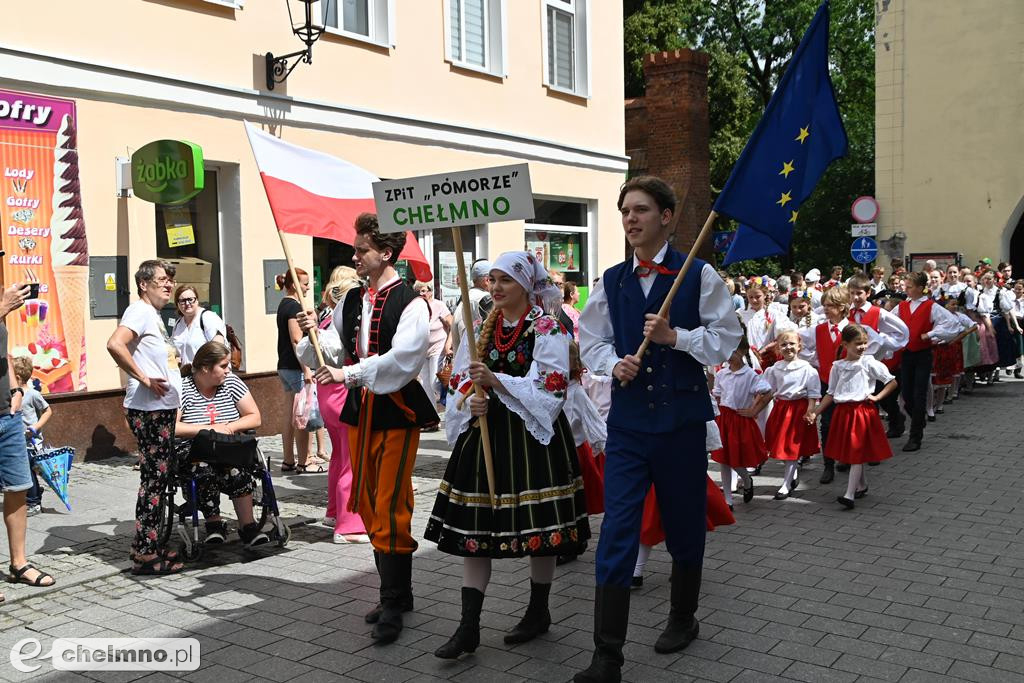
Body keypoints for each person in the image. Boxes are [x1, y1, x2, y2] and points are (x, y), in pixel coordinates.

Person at [575, 176, 741, 683]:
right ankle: (607, 655)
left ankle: (683, 617)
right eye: (625, 210)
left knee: (685, 524)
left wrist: (677, 337)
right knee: (617, 532)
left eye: (641, 210)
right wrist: (613, 364)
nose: (630, 219)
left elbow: (727, 338)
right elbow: (591, 338)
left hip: (682, 425)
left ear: (666, 216)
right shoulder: (613, 279)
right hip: (628, 428)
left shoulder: (697, 275)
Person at [424, 252, 589, 659]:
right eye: (493, 279)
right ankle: (468, 628)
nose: (496, 287)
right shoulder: (483, 326)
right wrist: (469, 399)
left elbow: (551, 388)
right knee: (475, 535)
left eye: (506, 280)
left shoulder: (548, 327)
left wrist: (496, 383)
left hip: (532, 438)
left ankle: (538, 610)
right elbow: (461, 377)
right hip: (486, 436)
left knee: (542, 532)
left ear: (526, 285)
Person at [298, 213, 437, 645]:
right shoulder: (353, 299)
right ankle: (396, 591)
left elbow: (403, 359)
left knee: (392, 499)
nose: (354, 256)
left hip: (395, 409)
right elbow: (334, 349)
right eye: (355, 249)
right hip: (362, 411)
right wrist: (313, 337)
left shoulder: (412, 303)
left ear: (386, 254)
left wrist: (351, 375)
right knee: (367, 498)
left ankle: (394, 599)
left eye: (362, 250)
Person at [106, 259, 185, 575]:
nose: (169, 285)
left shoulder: (152, 315)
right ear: (144, 283)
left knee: (158, 478)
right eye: (163, 280)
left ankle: (149, 545)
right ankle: (144, 552)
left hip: (160, 409)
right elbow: (114, 344)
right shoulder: (139, 311)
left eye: (170, 280)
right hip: (149, 411)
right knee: (154, 480)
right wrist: (143, 378)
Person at [296, 266, 369, 544]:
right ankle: (349, 525)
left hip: (330, 393)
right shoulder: (343, 322)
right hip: (342, 392)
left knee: (340, 455)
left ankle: (334, 512)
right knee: (352, 458)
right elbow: (337, 353)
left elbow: (307, 352)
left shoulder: (327, 319)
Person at [174, 342, 268, 547]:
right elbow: (173, 427)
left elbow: (254, 417)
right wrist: (206, 430)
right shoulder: (183, 388)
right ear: (206, 368)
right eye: (224, 366)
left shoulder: (232, 383)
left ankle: (248, 526)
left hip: (226, 446)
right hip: (194, 449)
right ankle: (214, 525)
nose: (229, 370)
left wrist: (230, 426)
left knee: (238, 468)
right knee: (202, 469)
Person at [1, 283, 57, 595]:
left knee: (18, 488)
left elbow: (4, 353)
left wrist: (16, 391)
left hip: (7, 415)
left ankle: (18, 564)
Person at [808, 324, 897, 509]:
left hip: (861, 412)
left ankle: (849, 494)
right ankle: (862, 485)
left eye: (865, 343)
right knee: (852, 452)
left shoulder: (868, 362)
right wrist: (815, 412)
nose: (863, 347)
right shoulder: (838, 366)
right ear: (845, 344)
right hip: (843, 413)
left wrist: (877, 397)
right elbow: (830, 393)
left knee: (856, 453)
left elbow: (891, 381)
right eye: (858, 343)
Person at [894, 272, 961, 452]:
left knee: (919, 393)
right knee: (907, 395)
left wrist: (931, 334)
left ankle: (915, 436)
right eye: (905, 286)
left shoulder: (931, 306)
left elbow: (952, 324)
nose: (905, 289)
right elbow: (890, 324)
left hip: (923, 354)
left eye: (909, 287)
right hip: (907, 354)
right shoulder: (901, 306)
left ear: (919, 288)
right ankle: (919, 418)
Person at [710, 335, 772, 508]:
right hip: (724, 418)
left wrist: (754, 410)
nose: (730, 354)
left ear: (744, 351)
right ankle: (728, 499)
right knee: (723, 459)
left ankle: (746, 479)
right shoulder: (722, 373)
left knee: (736, 459)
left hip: (739, 420)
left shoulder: (749, 375)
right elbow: (717, 395)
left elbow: (768, 392)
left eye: (734, 350)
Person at [846, 274, 910, 438]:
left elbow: (901, 332)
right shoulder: (847, 313)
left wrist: (883, 344)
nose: (856, 297)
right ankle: (870, 437)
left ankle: (896, 419)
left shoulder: (878, 312)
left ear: (868, 293)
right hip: (853, 365)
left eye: (859, 293)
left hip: (874, 364)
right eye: (852, 293)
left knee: (883, 399)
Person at [762, 330, 820, 500]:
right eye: (784, 345)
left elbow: (813, 394)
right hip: (781, 410)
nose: (788, 347)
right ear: (778, 348)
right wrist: (754, 409)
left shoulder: (807, 369)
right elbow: (768, 392)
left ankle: (786, 484)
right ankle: (792, 476)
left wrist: (811, 412)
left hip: (798, 410)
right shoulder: (775, 369)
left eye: (792, 344)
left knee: (791, 448)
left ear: (799, 346)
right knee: (782, 447)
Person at [275, 269, 322, 474]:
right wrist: (307, 370)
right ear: (294, 285)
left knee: (290, 415)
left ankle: (288, 460)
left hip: (284, 366)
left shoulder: (283, 304)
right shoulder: (294, 307)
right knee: (303, 415)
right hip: (296, 368)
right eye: (304, 283)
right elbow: (297, 340)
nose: (308, 287)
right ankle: (304, 461)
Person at [12, 357, 50, 516]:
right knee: (26, 471)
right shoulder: (13, 395)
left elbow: (48, 411)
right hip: (18, 440)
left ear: (18, 378)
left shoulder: (33, 394)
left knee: (28, 471)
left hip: (31, 442)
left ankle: (34, 502)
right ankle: (35, 492)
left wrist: (36, 426)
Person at [414, 280, 452, 412]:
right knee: (425, 385)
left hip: (438, 347)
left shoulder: (439, 305)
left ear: (430, 292)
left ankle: (452, 399)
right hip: (423, 350)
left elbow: (451, 324)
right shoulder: (415, 307)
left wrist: (448, 344)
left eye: (423, 290)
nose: (421, 293)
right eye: (418, 291)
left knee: (434, 382)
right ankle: (433, 417)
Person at [445, 259, 492, 359]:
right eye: (494, 279)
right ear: (487, 280)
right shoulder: (485, 299)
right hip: (474, 366)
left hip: (461, 366)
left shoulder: (464, 299)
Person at [171, 284, 227, 366]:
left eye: (190, 299)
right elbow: (176, 352)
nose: (187, 303)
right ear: (178, 304)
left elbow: (219, 350)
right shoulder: (178, 324)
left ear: (197, 300)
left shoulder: (208, 317)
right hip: (187, 375)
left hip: (209, 374)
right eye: (182, 301)